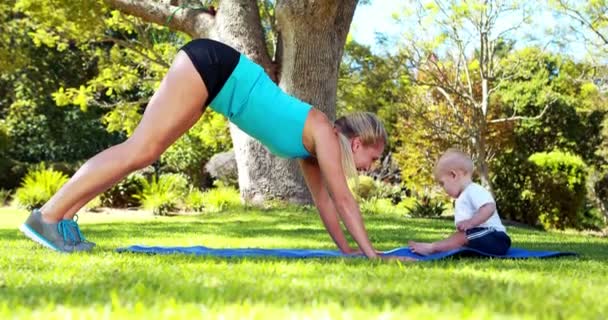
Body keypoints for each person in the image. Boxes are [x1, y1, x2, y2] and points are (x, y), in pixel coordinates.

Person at [20, 38, 403, 260]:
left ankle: (63, 221)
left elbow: (325, 204)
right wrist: (372, 254)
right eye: (373, 157)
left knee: (143, 151)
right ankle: (50, 215)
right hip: (215, 68)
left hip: (217, 82)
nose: (370, 167)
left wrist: (349, 252)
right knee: (141, 148)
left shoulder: (316, 150)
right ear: (358, 142)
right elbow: (344, 200)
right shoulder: (321, 130)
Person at [408, 149, 511, 256]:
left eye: (442, 183)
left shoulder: (473, 190)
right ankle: (436, 247)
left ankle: (432, 248)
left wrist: (471, 222)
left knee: (462, 237)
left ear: (453, 175)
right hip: (480, 237)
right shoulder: (463, 195)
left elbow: (489, 207)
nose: (443, 188)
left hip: (496, 238)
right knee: (458, 237)